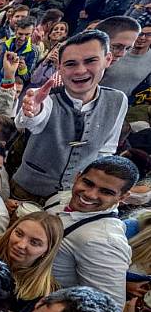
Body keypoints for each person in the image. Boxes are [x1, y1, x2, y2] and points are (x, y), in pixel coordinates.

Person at [12, 30, 126, 203]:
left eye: (90, 61)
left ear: (107, 60)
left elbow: (106, 149)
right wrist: (31, 111)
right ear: (60, 67)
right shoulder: (46, 97)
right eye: (71, 64)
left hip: (71, 196)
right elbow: (30, 121)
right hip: (27, 191)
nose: (80, 70)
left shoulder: (118, 100)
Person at [44, 156, 139, 306]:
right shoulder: (62, 197)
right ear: (78, 176)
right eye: (87, 183)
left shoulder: (104, 242)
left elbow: (108, 308)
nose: (90, 194)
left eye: (106, 192)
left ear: (122, 197)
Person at [0, 212, 64, 312]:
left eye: (34, 242)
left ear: (47, 251)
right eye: (19, 234)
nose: (21, 245)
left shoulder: (42, 297)